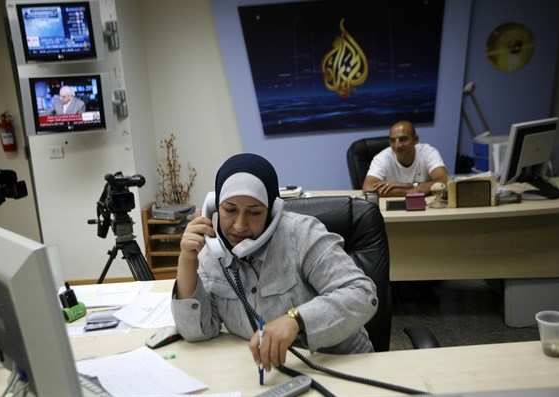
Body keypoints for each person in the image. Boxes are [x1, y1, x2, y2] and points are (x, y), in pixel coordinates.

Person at [172, 153, 378, 373]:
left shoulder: (302, 235)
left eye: (254, 212)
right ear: (214, 207)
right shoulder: (211, 247)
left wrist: (296, 320)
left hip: (337, 365)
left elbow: (362, 294)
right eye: (230, 210)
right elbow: (197, 331)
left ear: (271, 211)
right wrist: (187, 260)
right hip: (268, 372)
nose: (240, 226)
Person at [363, 121, 449, 197]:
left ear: (415, 140)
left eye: (403, 139)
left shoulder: (428, 152)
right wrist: (413, 190)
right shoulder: (382, 158)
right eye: (393, 140)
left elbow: (443, 181)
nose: (397, 146)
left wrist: (404, 185)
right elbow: (368, 188)